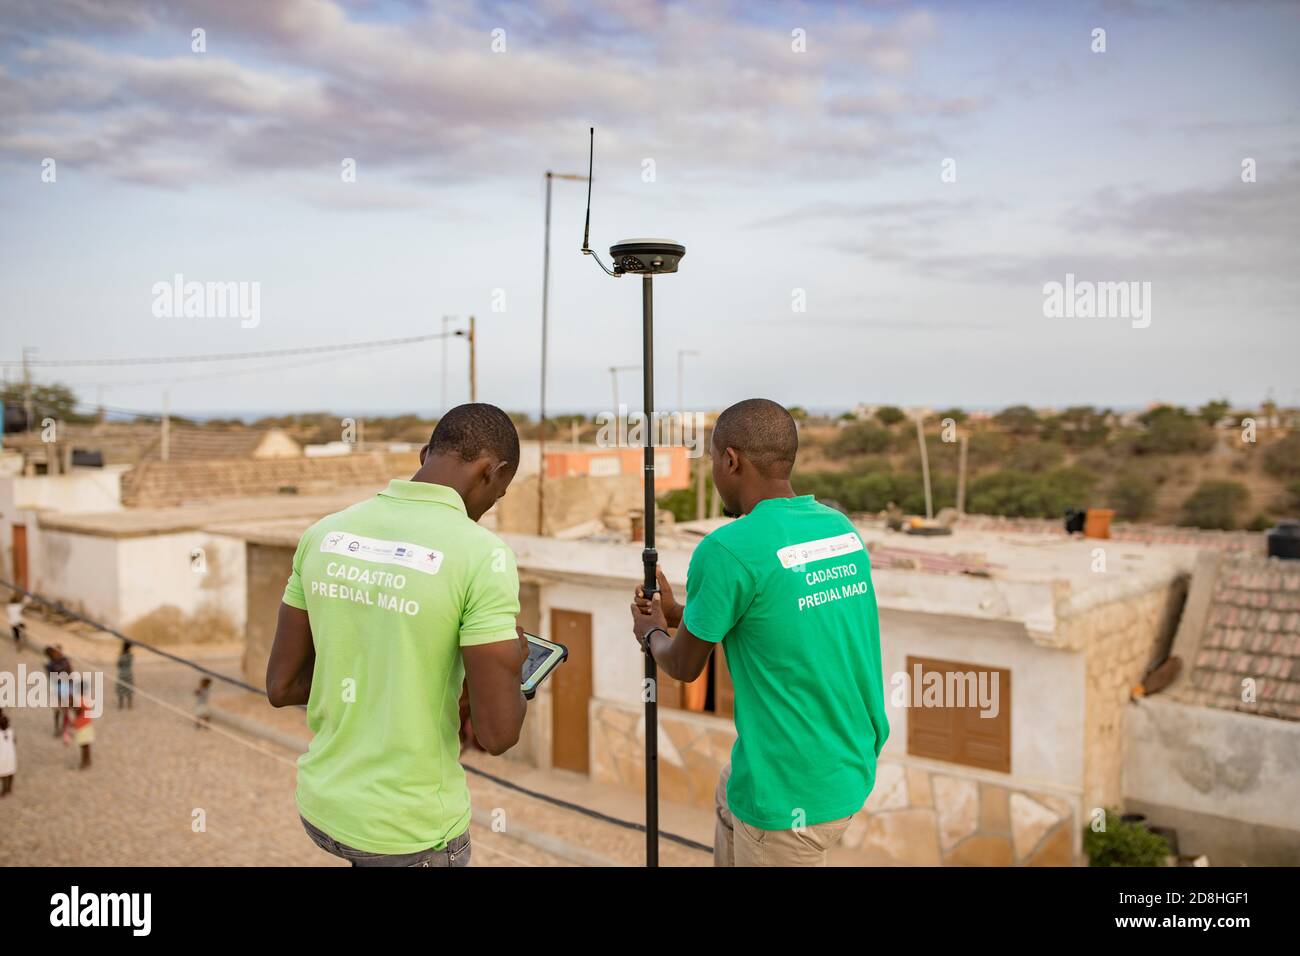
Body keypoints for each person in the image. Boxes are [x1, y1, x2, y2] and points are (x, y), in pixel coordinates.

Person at [267, 403, 529, 868]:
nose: (490, 509)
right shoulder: (483, 556)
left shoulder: (323, 533)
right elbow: (498, 734)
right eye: (500, 494)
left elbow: (281, 686)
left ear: (426, 453)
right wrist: (515, 662)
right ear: (495, 471)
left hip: (322, 808)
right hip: (409, 835)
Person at [631, 398, 890, 867]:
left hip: (791, 798)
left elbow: (685, 665)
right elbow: (771, 615)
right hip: (845, 769)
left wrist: (651, 633)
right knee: (730, 787)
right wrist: (676, 614)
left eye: (712, 460)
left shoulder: (728, 548)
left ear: (731, 460)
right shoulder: (839, 531)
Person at [44, 646, 73, 737]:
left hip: (66, 687)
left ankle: (64, 729)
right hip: (57, 688)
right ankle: (57, 729)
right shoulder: (50, 664)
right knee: (57, 711)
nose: (58, 654)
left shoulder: (64, 660)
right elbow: (53, 677)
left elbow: (69, 671)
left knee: (66, 710)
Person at [70, 700, 94, 769]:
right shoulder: (83, 700)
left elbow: (78, 711)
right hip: (86, 724)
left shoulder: (80, 701)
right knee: (86, 744)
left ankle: (85, 761)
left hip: (82, 725)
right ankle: (87, 760)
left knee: (84, 745)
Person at [116, 641, 135, 710]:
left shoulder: (121, 655)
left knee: (121, 690)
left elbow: (118, 665)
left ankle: (120, 705)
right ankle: (130, 705)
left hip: (122, 673)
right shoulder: (130, 655)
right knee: (129, 689)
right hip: (128, 673)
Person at [0, 709, 15, 796]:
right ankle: (9, 788)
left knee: (2, 773)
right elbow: (15, 740)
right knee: (10, 772)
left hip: (2, 755)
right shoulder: (10, 731)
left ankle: (4, 789)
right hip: (10, 754)